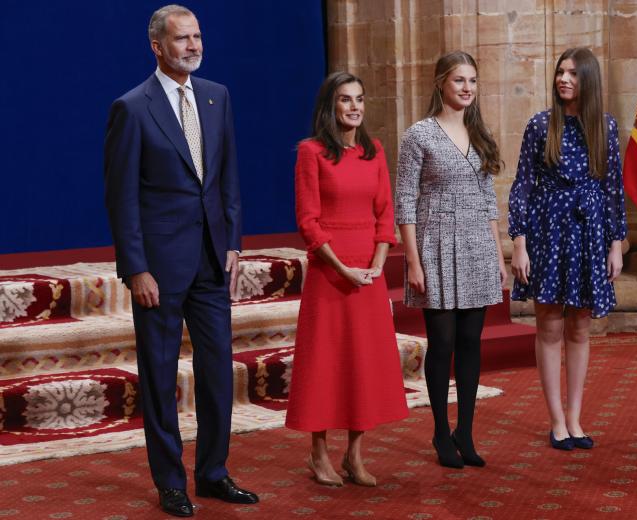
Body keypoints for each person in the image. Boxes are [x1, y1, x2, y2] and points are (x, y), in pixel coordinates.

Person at [103, 5, 257, 516]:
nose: (193, 46)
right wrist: (136, 267)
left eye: (197, 37)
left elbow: (227, 177)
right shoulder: (132, 107)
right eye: (182, 39)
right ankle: (171, 481)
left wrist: (233, 241)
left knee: (217, 375)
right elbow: (121, 197)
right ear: (157, 47)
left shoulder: (218, 96)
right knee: (160, 377)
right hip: (159, 270)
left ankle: (213, 473)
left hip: (213, 260)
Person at [285, 72, 409, 487]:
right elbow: (308, 221)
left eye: (359, 99)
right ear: (330, 106)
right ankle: (318, 453)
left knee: (364, 365)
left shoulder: (374, 151)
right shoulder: (311, 152)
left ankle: (354, 455)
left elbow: (385, 215)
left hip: (367, 275)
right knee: (326, 364)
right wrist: (343, 269)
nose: (354, 107)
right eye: (345, 100)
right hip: (330, 273)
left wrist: (375, 267)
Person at [508, 47, 627, 451]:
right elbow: (522, 185)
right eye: (561, 72)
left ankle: (576, 418)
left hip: (590, 232)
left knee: (580, 325)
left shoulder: (605, 128)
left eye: (573, 74)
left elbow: (613, 189)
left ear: (587, 80)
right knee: (550, 324)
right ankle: (556, 420)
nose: (564, 79)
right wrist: (518, 243)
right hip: (547, 231)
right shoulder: (540, 125)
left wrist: (616, 244)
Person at [395, 51, 506, 469]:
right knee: (441, 343)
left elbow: (489, 201)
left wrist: (498, 256)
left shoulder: (480, 134)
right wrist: (413, 261)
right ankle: (441, 431)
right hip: (436, 246)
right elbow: (405, 201)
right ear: (441, 82)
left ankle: (466, 430)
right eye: (459, 80)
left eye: (473, 81)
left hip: (478, 245)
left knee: (470, 344)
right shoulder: (418, 135)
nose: (467, 88)